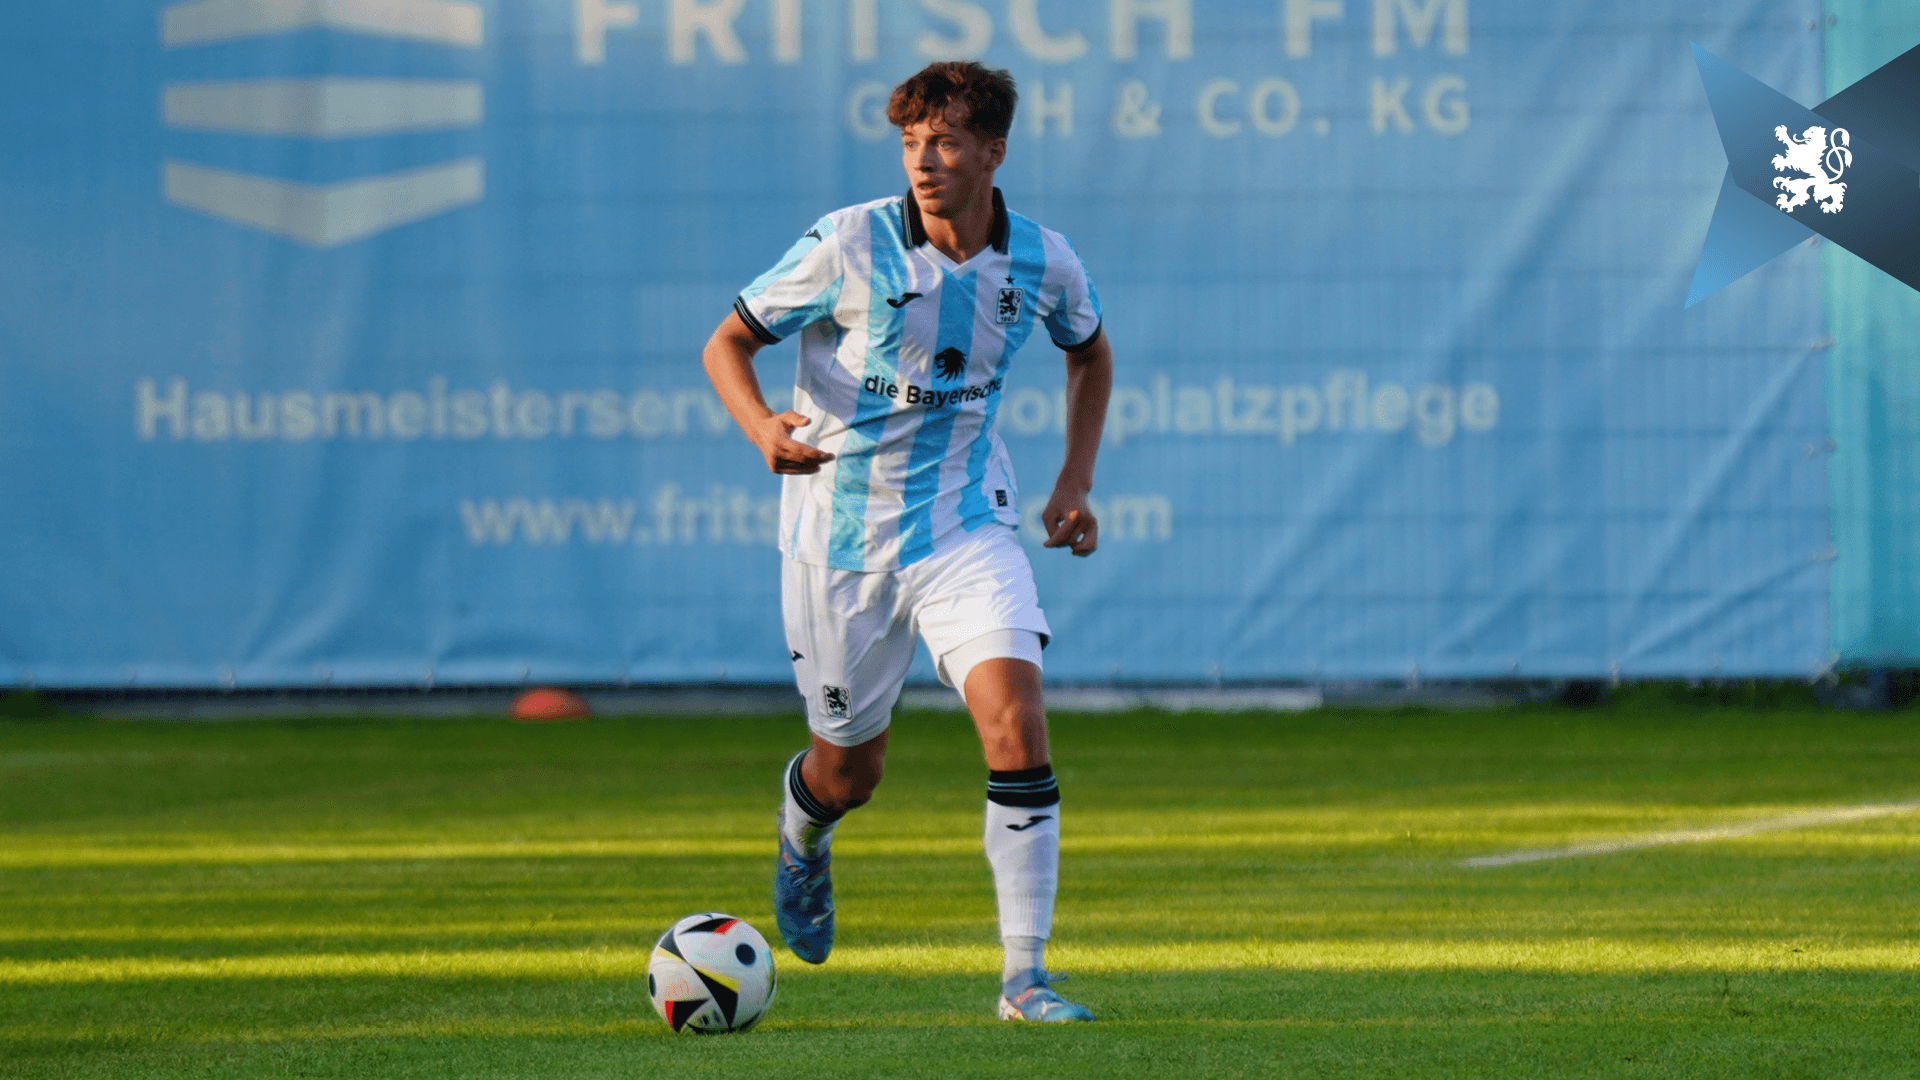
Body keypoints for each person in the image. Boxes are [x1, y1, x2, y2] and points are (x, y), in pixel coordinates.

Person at [699, 60, 1113, 1023]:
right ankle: (805, 830)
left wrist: (1075, 480)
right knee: (852, 772)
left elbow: (1088, 350)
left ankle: (1024, 979)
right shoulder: (848, 241)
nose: (924, 162)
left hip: (967, 525)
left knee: (1015, 722)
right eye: (911, 143)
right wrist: (763, 426)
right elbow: (727, 341)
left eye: (947, 142)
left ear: (993, 154)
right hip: (839, 540)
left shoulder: (1044, 261)